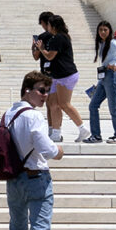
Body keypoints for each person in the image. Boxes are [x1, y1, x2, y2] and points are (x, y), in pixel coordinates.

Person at [3, 72, 63, 230]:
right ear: (27, 90)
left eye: (47, 91)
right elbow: (47, 149)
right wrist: (59, 151)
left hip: (14, 179)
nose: (45, 95)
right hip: (36, 177)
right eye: (41, 90)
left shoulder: (8, 114)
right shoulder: (34, 115)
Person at [33, 15, 85, 143]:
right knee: (53, 104)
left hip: (65, 75)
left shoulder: (59, 38)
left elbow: (50, 56)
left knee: (64, 104)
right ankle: (55, 133)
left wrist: (41, 49)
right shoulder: (59, 37)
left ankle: (83, 129)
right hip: (57, 76)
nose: (47, 28)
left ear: (53, 26)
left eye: (49, 25)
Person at [86, 21, 116, 143]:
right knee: (93, 105)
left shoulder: (113, 42)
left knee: (113, 107)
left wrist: (113, 62)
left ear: (109, 31)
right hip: (104, 76)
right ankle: (96, 135)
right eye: (100, 30)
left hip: (111, 76)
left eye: (105, 30)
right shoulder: (101, 43)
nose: (103, 32)